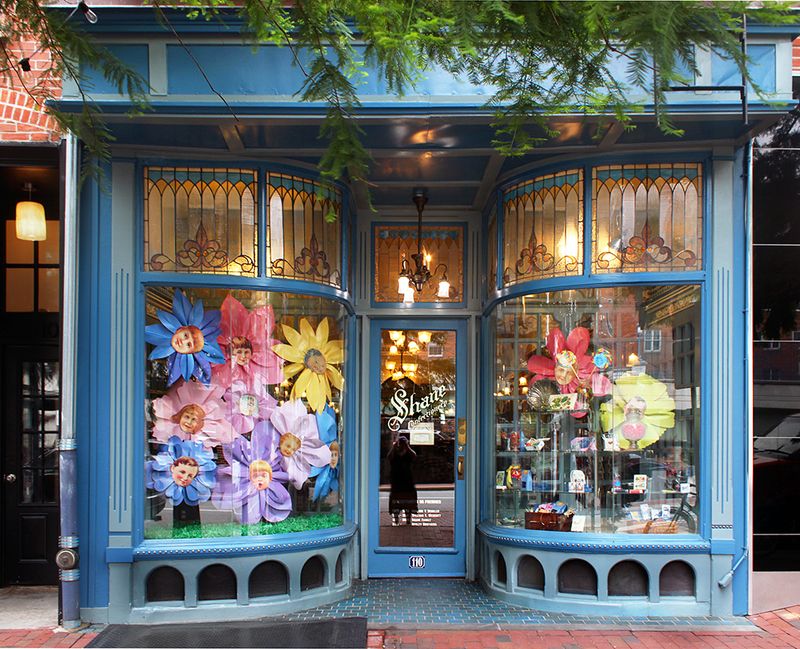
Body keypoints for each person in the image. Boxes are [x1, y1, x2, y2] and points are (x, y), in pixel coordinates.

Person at [387, 435, 417, 525]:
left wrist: (407, 447)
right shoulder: (394, 453)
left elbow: (414, 456)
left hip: (407, 481)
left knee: (408, 501)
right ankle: (396, 519)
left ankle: (408, 519)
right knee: (396, 501)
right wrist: (394, 447)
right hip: (397, 481)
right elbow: (389, 457)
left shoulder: (408, 453)